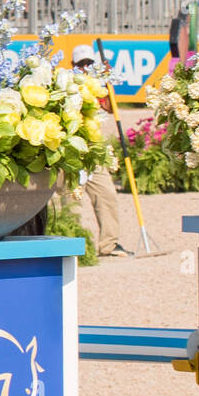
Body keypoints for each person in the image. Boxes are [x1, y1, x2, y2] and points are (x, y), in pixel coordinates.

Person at [67, 45, 131, 258]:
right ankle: (68, 246)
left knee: (107, 196)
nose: (85, 67)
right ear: (73, 65)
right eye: (81, 64)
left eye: (88, 63)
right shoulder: (67, 84)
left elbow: (111, 109)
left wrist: (107, 83)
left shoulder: (97, 85)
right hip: (73, 150)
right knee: (70, 201)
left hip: (95, 149)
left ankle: (109, 245)